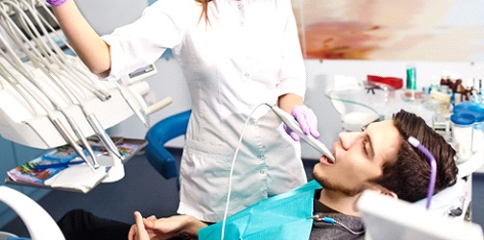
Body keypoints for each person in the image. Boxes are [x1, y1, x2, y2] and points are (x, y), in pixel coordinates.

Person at [2, 0, 320, 222]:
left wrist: (294, 108)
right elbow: (104, 59)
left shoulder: (277, 3)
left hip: (281, 171)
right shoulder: (182, 9)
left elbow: (288, 78)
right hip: (219, 184)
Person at [120, 109, 458, 240]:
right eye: (362, 130)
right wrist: (192, 227)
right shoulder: (328, 193)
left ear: (383, 196)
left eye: (364, 147)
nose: (343, 137)